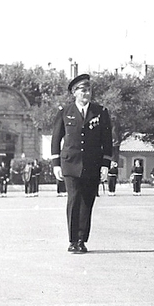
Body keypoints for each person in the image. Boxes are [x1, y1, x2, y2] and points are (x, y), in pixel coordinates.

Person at [51, 74, 114, 254]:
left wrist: (105, 165)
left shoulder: (100, 112)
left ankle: (81, 240)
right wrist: (56, 164)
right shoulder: (65, 112)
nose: (87, 93)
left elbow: (107, 141)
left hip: (92, 165)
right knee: (73, 200)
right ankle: (72, 240)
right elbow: (56, 139)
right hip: (70, 164)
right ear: (74, 92)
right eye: (83, 90)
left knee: (87, 202)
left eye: (89, 90)